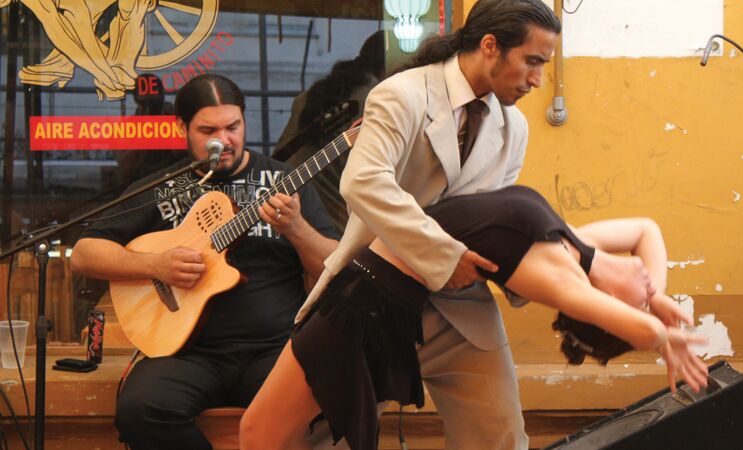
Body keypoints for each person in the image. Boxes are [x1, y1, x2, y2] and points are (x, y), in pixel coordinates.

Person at [245, 0, 680, 448]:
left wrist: (549, 277)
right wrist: (444, 255)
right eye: (532, 61)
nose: (537, 79)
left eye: (544, 66)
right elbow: (363, 184)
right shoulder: (402, 94)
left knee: (501, 439)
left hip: (460, 310)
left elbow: (490, 221)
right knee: (321, 439)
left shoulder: (513, 128)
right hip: (373, 301)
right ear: (490, 46)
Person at [239, 185, 709, 450]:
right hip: (363, 300)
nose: (649, 282)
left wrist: (662, 335)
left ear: (605, 305)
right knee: (268, 435)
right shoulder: (577, 246)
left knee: (260, 435)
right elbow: (648, 230)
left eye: (642, 294)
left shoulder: (554, 276)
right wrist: (659, 301)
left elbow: (637, 326)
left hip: (367, 313)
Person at [70, 74, 340, 450]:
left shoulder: (284, 181)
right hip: (186, 353)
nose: (224, 140)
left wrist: (296, 228)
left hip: (275, 349)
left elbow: (332, 267)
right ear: (182, 127)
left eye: (233, 126)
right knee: (139, 409)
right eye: (208, 129)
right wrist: (156, 265)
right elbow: (84, 254)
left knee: (322, 398)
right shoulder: (164, 186)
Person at [275, 31, 386, 231]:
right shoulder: (376, 100)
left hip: (286, 204)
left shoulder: (313, 94)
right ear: (390, 67)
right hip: (333, 220)